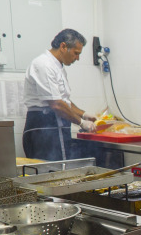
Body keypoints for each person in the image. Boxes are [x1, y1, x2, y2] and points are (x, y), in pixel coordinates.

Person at [22, 28, 97, 161]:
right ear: (63, 46)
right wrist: (81, 122)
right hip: (44, 130)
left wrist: (83, 114)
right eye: (76, 53)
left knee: (59, 169)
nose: (77, 58)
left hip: (55, 129)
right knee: (49, 170)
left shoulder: (57, 66)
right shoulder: (44, 65)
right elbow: (56, 104)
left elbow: (63, 100)